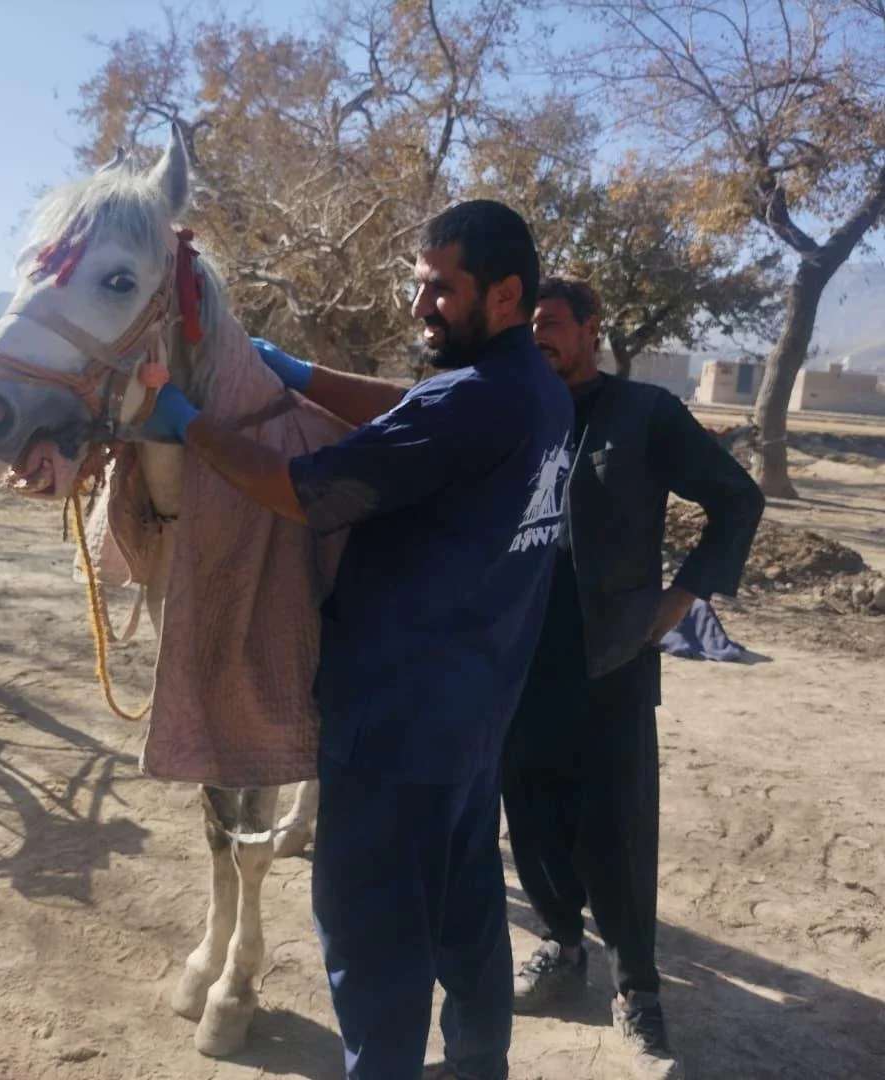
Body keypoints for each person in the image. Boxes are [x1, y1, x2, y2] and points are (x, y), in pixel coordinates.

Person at [133, 200, 573, 1080]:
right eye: (417, 286)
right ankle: (479, 1064)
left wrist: (189, 424)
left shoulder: (473, 401)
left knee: (371, 940)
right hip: (474, 717)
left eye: (439, 290)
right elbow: (416, 407)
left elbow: (303, 490)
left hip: (394, 725)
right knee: (466, 915)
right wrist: (300, 376)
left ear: (504, 294)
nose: (418, 308)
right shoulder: (538, 391)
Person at [501, 277, 764, 1072]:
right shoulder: (518, 410)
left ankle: (637, 992)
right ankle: (560, 947)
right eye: (529, 326)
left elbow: (736, 499)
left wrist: (680, 599)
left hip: (610, 658)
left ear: (591, 328)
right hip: (519, 656)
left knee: (615, 830)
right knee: (532, 818)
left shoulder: (644, 413)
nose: (538, 337)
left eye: (552, 323)